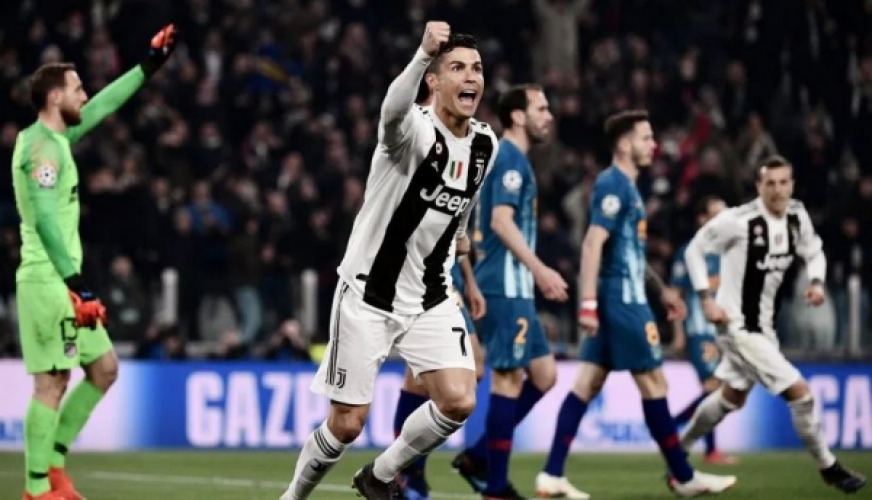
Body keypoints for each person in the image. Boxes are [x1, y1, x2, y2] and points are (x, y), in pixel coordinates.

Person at [280, 22, 499, 500]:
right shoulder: (411, 131)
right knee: (346, 424)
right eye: (457, 68)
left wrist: (465, 263)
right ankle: (292, 497)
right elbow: (391, 111)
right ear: (433, 81)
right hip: (369, 293)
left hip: (430, 295)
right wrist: (421, 52)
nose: (471, 77)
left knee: (459, 399)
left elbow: (462, 210)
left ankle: (380, 475)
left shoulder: (485, 144)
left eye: (477, 69)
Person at [12, 25, 177, 500]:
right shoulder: (40, 148)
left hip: (64, 281)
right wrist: (76, 283)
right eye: (77, 88)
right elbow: (45, 219)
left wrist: (149, 64)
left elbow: (104, 105)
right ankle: (36, 489)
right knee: (51, 383)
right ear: (54, 97)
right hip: (48, 281)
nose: (85, 94)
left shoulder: (58, 138)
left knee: (104, 368)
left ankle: (55, 468)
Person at [537, 110, 736, 498]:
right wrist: (588, 303)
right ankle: (683, 476)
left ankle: (551, 474)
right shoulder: (614, 184)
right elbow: (592, 243)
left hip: (623, 297)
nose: (653, 145)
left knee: (587, 383)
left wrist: (663, 292)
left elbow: (630, 254)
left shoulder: (628, 187)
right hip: (622, 302)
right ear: (626, 144)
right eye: (646, 138)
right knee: (654, 382)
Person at [678, 156, 867, 494]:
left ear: (792, 185)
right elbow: (694, 250)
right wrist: (706, 298)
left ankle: (678, 451)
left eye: (783, 183)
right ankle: (829, 467)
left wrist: (817, 282)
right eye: (770, 184)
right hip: (736, 326)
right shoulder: (739, 221)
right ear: (759, 187)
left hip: (764, 328)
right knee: (801, 394)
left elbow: (815, 251)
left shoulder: (797, 215)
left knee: (730, 398)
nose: (778, 190)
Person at [452, 84, 581, 500]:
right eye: (542, 108)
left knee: (544, 376)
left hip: (515, 287)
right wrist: (540, 270)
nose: (549, 116)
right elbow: (501, 222)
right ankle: (496, 487)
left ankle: (477, 456)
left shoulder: (513, 159)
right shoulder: (509, 157)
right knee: (508, 379)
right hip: (503, 287)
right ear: (519, 116)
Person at [394, 70, 487, 500]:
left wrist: (470, 282)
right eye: (458, 70)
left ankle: (407, 469)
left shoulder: (470, 143)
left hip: (447, 273)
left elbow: (457, 225)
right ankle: (405, 472)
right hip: (416, 275)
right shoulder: (413, 132)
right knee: (428, 376)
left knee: (467, 371)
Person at [669, 196, 738, 465]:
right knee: (712, 387)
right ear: (702, 219)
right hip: (699, 331)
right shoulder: (689, 253)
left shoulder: (729, 253)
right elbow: (675, 295)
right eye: (715, 214)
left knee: (718, 390)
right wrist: (678, 333)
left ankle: (670, 427)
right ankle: (706, 449)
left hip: (723, 333)